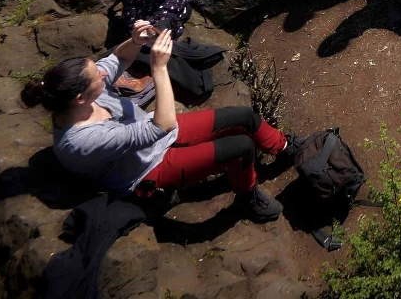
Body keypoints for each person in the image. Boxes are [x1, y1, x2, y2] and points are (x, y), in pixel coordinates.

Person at [22, 22, 302, 223]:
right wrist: (158, 68)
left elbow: (118, 58)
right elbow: (161, 126)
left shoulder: (82, 96)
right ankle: (247, 197)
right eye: (98, 77)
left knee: (245, 117)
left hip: (159, 134)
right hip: (148, 167)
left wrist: (135, 41)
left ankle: (284, 147)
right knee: (240, 147)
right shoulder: (80, 140)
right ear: (80, 98)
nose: (104, 75)